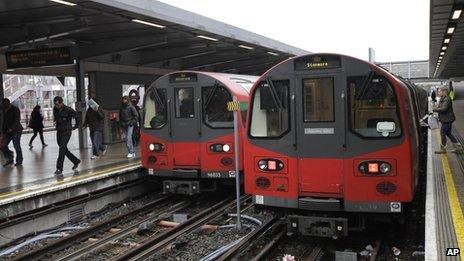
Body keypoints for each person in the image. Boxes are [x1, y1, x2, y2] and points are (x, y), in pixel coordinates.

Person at [53, 96, 81, 174]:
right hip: (59, 131)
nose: (56, 106)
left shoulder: (68, 109)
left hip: (67, 131)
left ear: (61, 103)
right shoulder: (55, 109)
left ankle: (59, 168)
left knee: (62, 148)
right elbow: (56, 117)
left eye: (58, 104)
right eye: (55, 104)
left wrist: (76, 126)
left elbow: (77, 116)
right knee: (63, 148)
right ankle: (75, 161)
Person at [433, 87, 462, 154]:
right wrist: (436, 108)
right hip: (446, 119)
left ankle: (443, 149)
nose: (438, 93)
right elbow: (440, 107)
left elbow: (444, 109)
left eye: (439, 92)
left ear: (444, 92)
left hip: (447, 120)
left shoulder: (447, 99)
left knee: (442, 133)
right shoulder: (442, 99)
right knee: (448, 133)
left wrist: (434, 109)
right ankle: (458, 147)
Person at [1, 99, 23, 167]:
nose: (4, 106)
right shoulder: (4, 110)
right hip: (8, 131)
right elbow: (4, 121)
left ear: (8, 103)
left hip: (16, 130)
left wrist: (11, 128)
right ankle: (10, 158)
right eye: (3, 105)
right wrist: (2, 131)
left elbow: (17, 120)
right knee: (3, 145)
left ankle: (19, 161)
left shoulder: (15, 109)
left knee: (16, 145)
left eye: (5, 104)